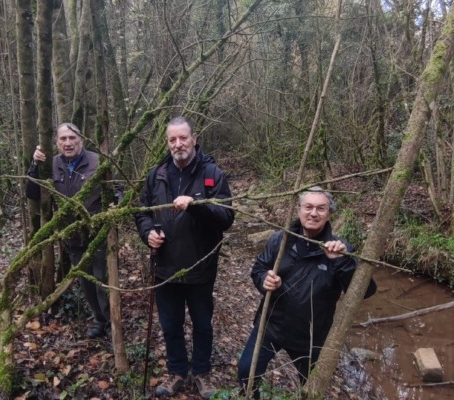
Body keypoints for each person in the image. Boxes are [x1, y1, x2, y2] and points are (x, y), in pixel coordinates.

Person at [238, 186, 377, 398]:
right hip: (271, 325)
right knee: (246, 372)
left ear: (329, 214)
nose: (313, 213)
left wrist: (341, 262)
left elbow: (365, 291)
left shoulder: (341, 249)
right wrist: (264, 280)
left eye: (321, 208)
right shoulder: (280, 240)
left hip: (311, 336)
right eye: (308, 207)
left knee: (310, 388)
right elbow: (259, 268)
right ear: (299, 210)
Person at [135, 117, 235, 398]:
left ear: (194, 139)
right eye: (172, 139)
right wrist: (147, 233)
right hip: (165, 265)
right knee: (170, 325)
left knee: (202, 324)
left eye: (183, 138)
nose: (178, 144)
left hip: (200, 266)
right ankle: (177, 372)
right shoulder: (156, 175)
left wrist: (196, 206)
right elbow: (142, 212)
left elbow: (226, 217)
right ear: (167, 142)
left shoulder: (212, 173)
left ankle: (202, 373)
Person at [26, 122, 111, 339]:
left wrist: (113, 207)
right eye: (63, 139)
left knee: (103, 281)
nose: (68, 143)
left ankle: (112, 324)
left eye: (72, 138)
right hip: (71, 237)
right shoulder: (50, 164)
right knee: (86, 282)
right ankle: (99, 320)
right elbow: (33, 194)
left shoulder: (97, 161)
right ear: (56, 142)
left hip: (98, 234)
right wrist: (35, 166)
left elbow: (116, 189)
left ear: (81, 139)